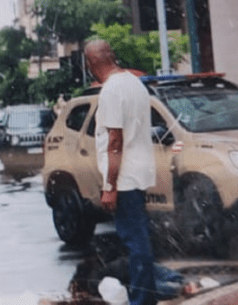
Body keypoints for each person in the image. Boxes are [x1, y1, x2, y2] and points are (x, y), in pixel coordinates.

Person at [84, 40, 158, 305]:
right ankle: (145, 296)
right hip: (137, 173)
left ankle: (142, 300)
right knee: (139, 240)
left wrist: (110, 186)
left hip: (124, 178)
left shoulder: (112, 90)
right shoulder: (134, 83)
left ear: (92, 63)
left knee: (135, 243)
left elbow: (115, 140)